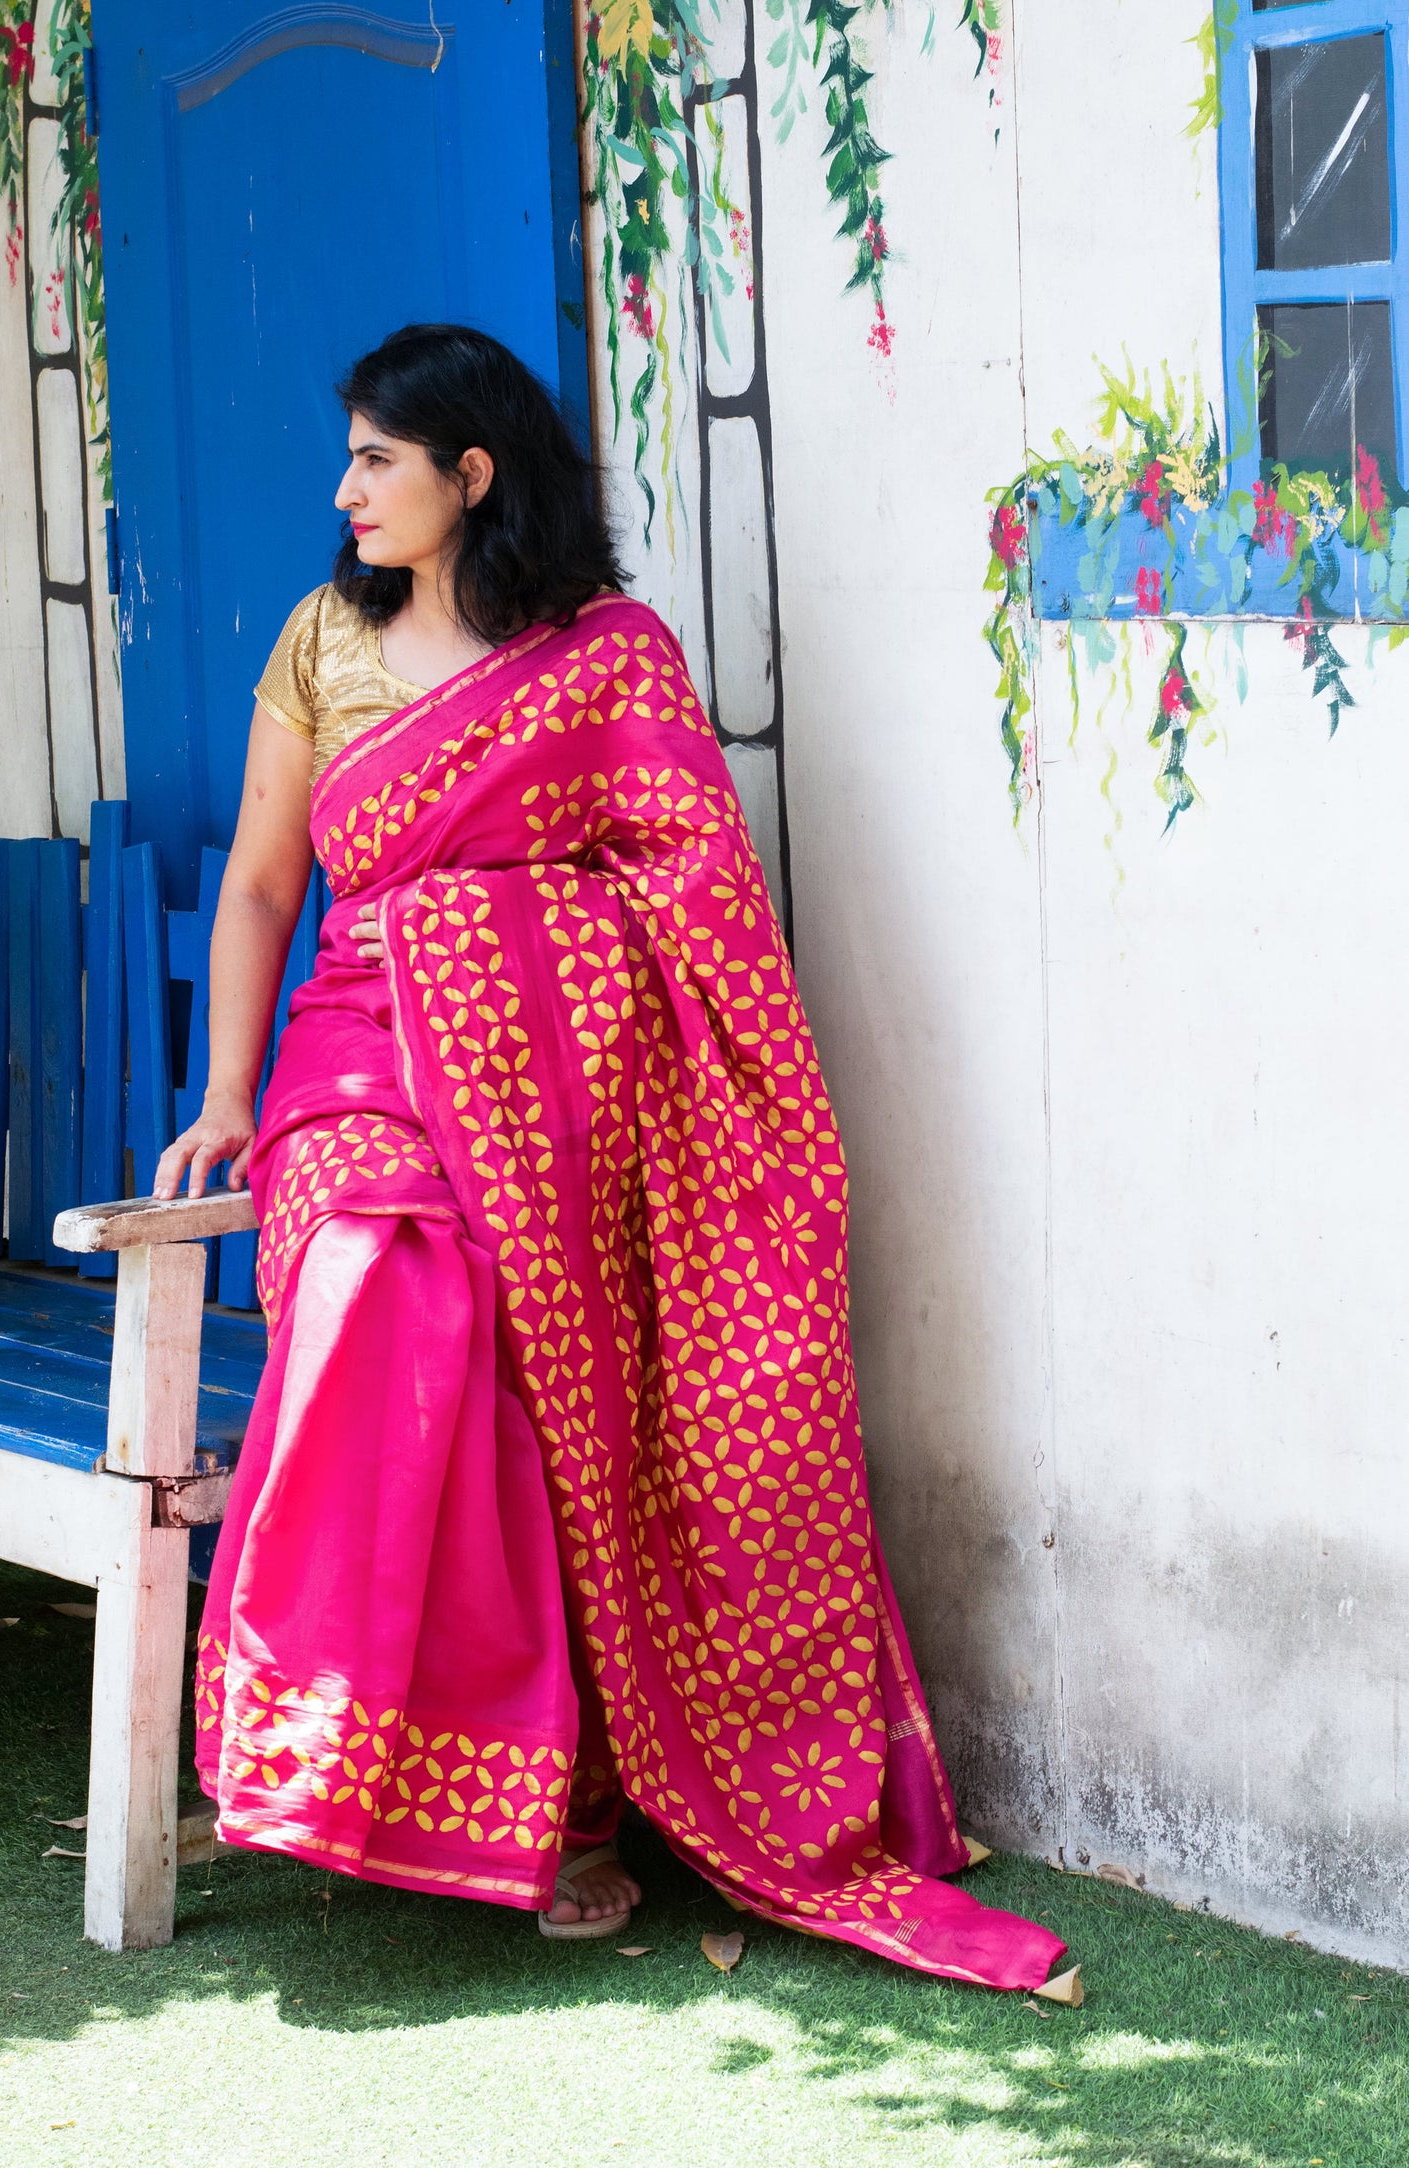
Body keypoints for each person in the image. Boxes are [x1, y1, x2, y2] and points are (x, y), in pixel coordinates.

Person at [157, 322, 1076, 1993]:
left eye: (378, 458)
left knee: (531, 1370)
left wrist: (530, 962)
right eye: (350, 456)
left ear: (472, 475)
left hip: (574, 1107)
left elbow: (699, 895)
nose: (345, 489)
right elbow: (262, 891)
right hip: (363, 1059)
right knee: (379, 1294)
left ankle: (561, 1807)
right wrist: (231, 1088)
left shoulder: (607, 658)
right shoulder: (320, 640)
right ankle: (337, 1761)